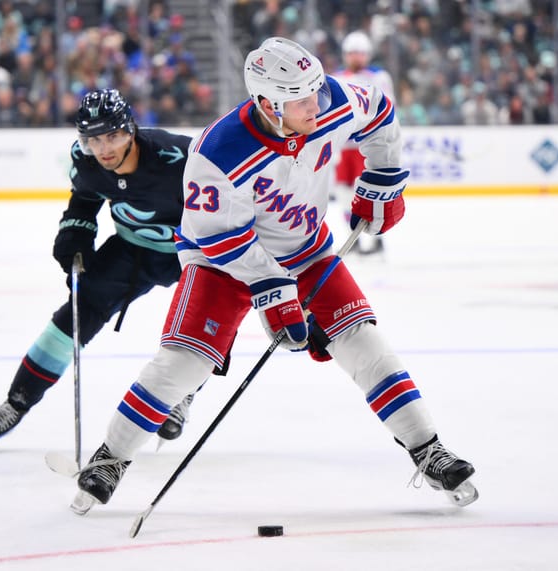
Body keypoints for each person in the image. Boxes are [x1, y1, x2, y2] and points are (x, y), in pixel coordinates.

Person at [71, 37, 477, 515]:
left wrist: (382, 181)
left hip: (306, 250)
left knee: (364, 344)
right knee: (184, 365)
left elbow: (381, 113)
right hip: (221, 260)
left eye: (318, 91)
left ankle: (427, 449)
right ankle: (110, 459)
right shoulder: (217, 152)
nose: (319, 104)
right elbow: (219, 237)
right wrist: (272, 289)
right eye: (304, 99)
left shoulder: (326, 98)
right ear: (268, 104)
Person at [0, 88, 201, 450]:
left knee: (203, 323)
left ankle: (181, 393)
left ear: (131, 130)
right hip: (131, 249)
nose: (103, 148)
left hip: (193, 252)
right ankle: (15, 404)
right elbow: (85, 199)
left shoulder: (180, 156)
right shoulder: (86, 160)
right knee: (75, 314)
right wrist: (74, 237)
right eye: (93, 139)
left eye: (112, 136)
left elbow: (227, 198)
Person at [332, 30, 395, 256]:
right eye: (352, 53)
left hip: (366, 144)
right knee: (343, 193)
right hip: (342, 146)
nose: (356, 57)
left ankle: (378, 239)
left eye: (359, 53)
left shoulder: (379, 77)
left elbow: (387, 108)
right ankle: (354, 240)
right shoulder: (337, 77)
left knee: (370, 192)